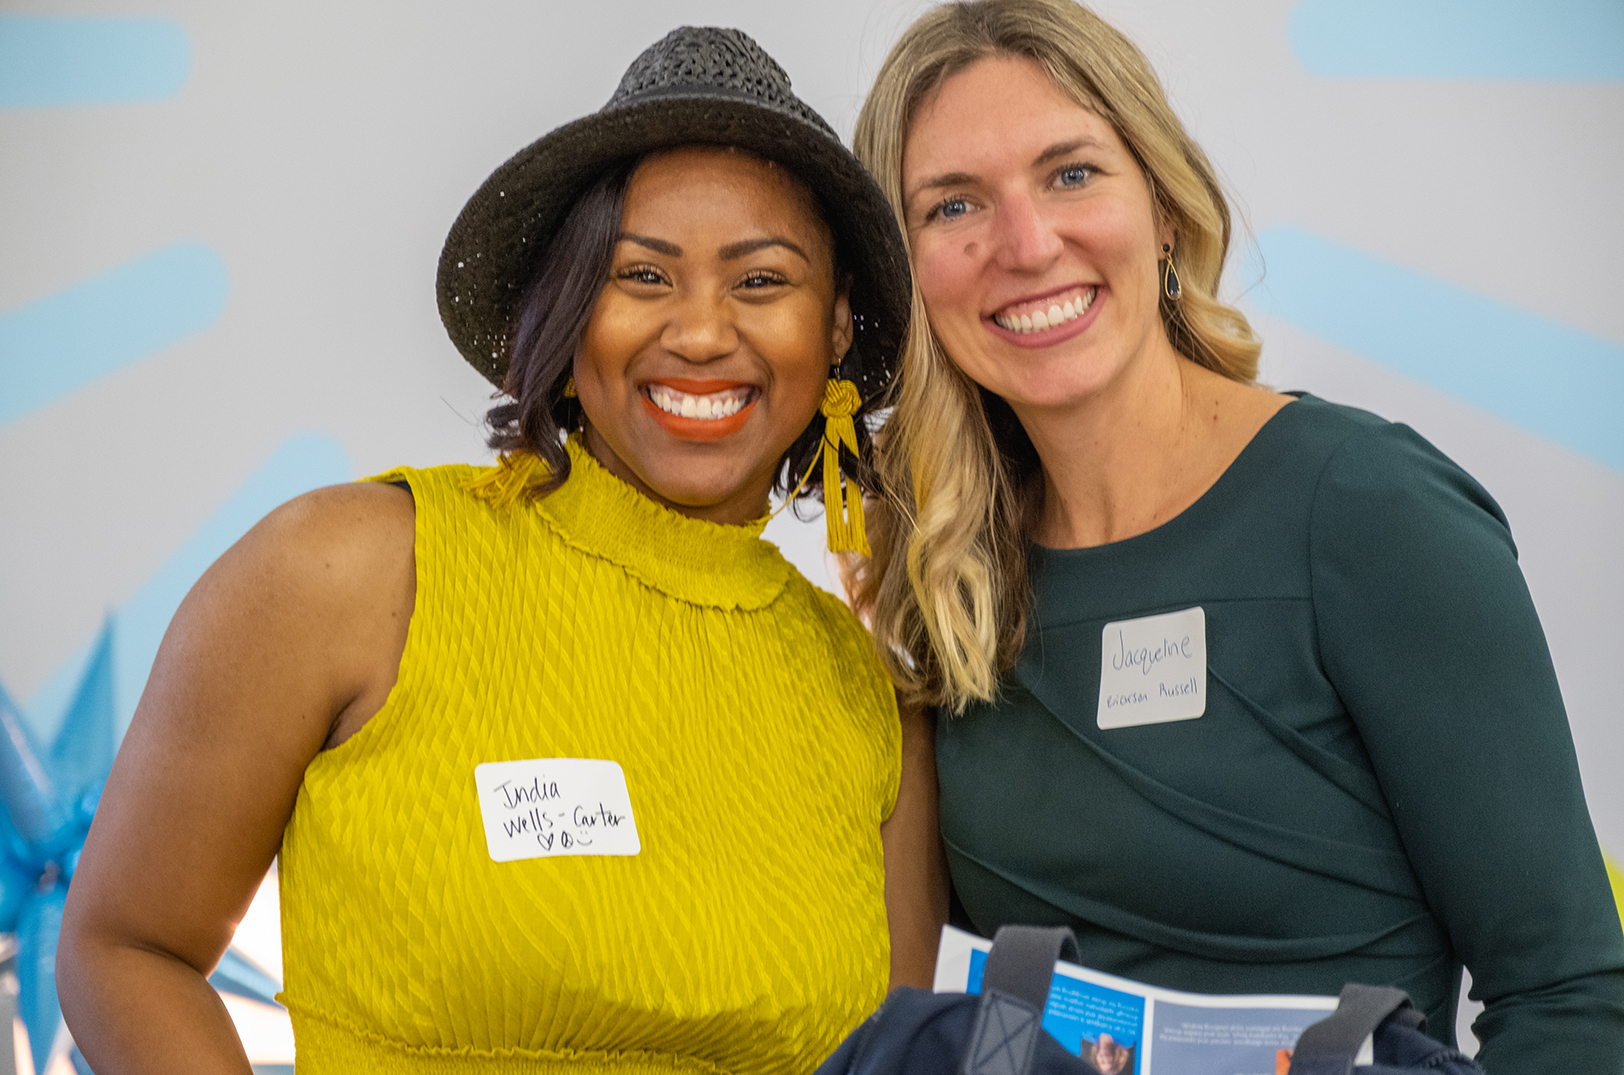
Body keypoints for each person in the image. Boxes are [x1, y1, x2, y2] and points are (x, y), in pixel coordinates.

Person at [58, 27, 945, 1073]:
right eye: (642, 276)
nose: (702, 333)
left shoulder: (868, 703)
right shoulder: (353, 571)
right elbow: (126, 947)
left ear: (835, 329)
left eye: (760, 282)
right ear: (570, 312)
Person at [845, 2, 1624, 1072]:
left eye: (1071, 173)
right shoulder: (946, 574)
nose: (1025, 245)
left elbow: (1571, 995)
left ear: (1163, 207)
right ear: (905, 267)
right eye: (952, 205)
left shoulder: (1362, 508)